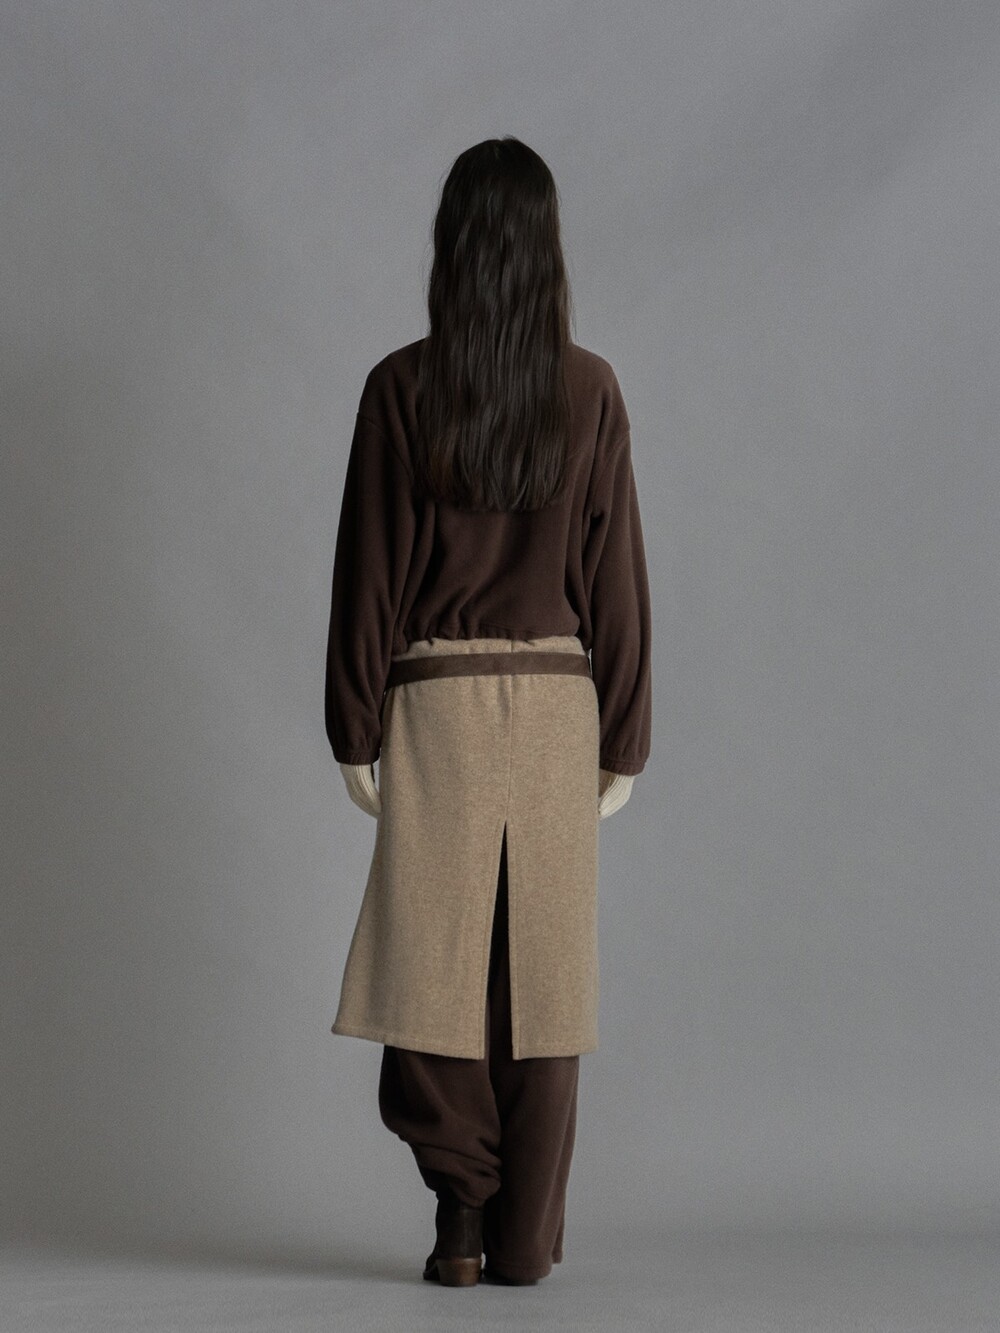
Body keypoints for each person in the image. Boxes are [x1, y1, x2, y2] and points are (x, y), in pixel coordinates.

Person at [323, 136, 652, 1288]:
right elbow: (616, 577)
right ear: (546, 247)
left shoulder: (402, 386)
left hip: (436, 708)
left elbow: (370, 571)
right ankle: (519, 1242)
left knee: (433, 968)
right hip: (560, 709)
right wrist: (625, 736)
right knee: (540, 987)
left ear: (451, 245)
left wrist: (353, 725)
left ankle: (462, 1217)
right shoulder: (590, 387)